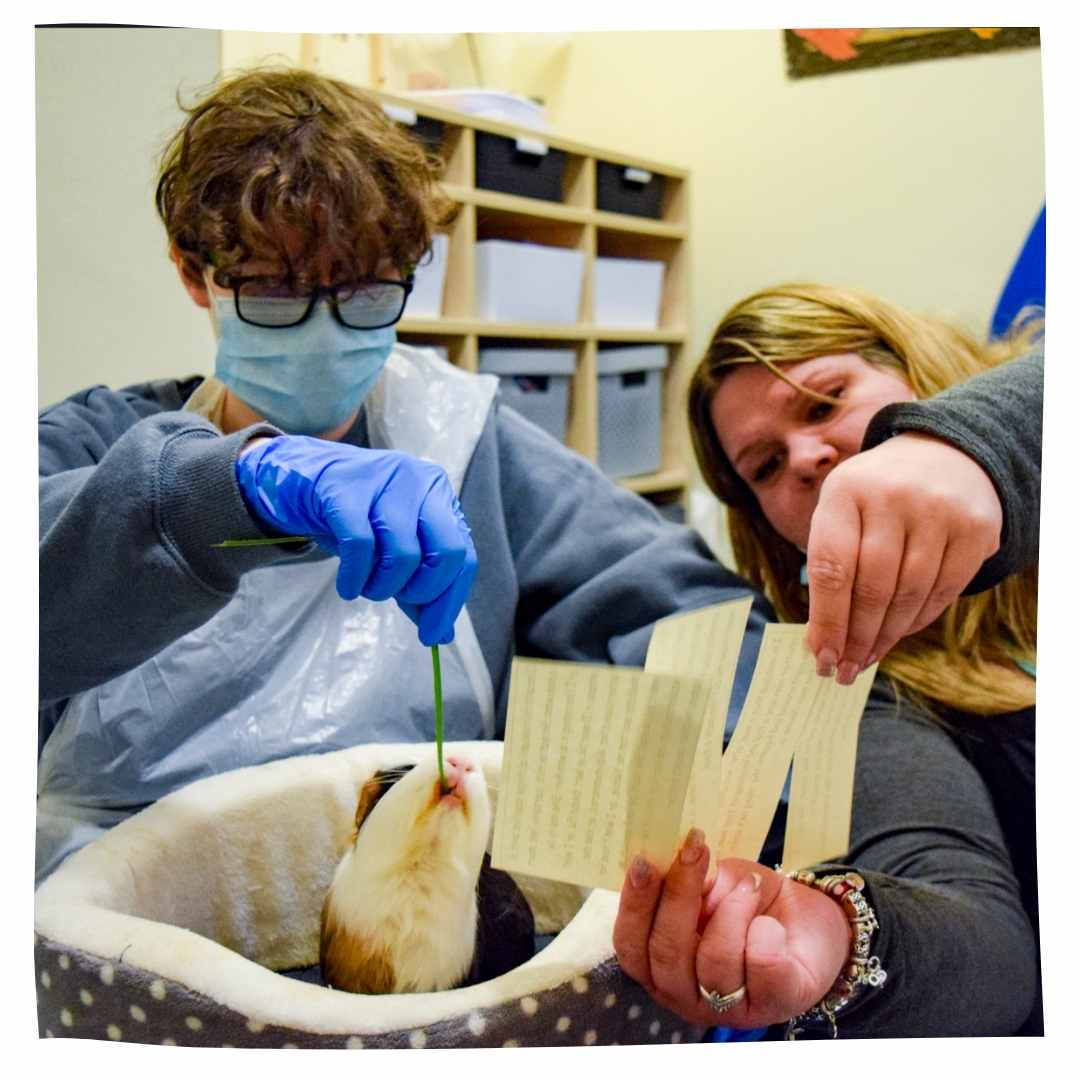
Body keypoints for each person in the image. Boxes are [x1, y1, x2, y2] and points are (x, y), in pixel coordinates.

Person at [37, 66, 773, 884]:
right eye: (275, 290)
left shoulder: (460, 440)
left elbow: (683, 611)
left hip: (420, 894)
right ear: (192, 272)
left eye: (363, 290)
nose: (323, 330)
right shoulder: (96, 443)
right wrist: (224, 495)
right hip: (132, 911)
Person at [614, 283, 1042, 1037]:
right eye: (766, 466)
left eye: (825, 403)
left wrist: (980, 444)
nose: (808, 458)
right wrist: (841, 937)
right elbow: (982, 945)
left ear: (913, 364)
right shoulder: (861, 683)